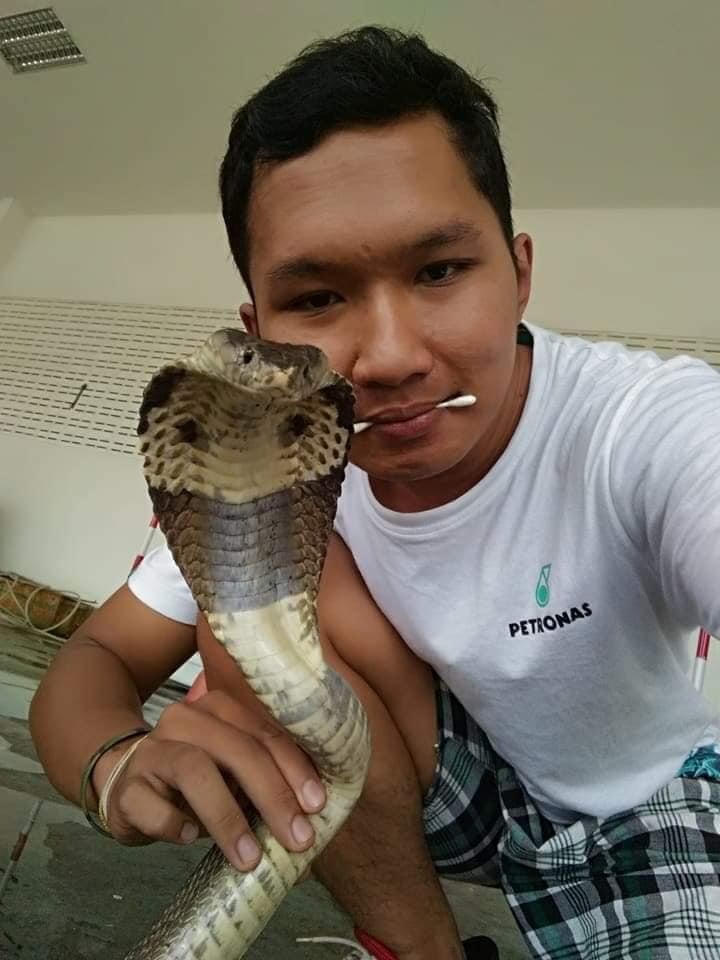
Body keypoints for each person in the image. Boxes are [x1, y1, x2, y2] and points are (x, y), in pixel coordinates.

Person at [29, 25, 720, 960]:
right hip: (444, 786)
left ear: (519, 272)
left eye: (439, 271)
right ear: (259, 330)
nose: (390, 357)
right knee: (245, 644)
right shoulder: (275, 474)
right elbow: (96, 658)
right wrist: (113, 764)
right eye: (318, 298)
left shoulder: (646, 421)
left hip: (644, 804)